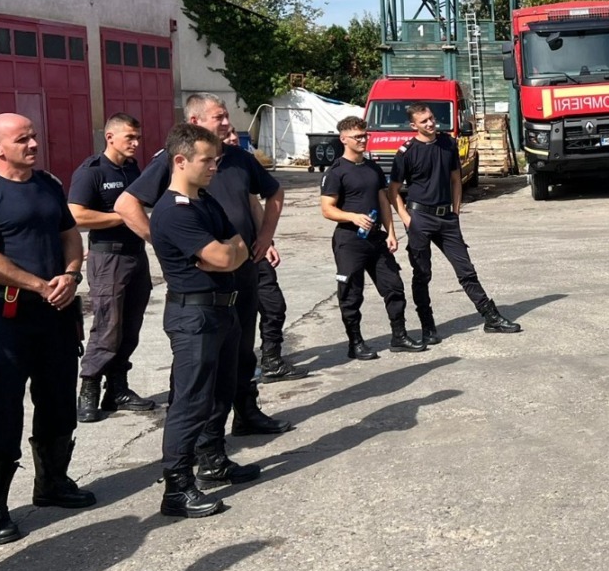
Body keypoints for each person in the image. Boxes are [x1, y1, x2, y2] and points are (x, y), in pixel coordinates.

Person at [115, 94, 292, 436]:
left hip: (242, 269)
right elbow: (126, 204)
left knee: (241, 350)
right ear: (195, 123)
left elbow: (270, 194)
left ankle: (245, 412)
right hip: (204, 278)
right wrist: (167, 243)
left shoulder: (240, 158)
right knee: (198, 364)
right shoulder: (172, 161)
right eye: (219, 118)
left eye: (226, 116)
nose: (227, 123)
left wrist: (266, 236)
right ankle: (191, 436)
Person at [0, 114, 95, 545]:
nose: (34, 143)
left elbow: (70, 234)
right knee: (1, 409)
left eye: (34, 135)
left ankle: (52, 482)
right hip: (8, 316)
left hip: (56, 311)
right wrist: (38, 284)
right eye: (23, 139)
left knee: (57, 399)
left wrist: (70, 275)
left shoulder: (48, 184)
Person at [148, 122, 258, 519]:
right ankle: (177, 489)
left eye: (216, 159)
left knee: (221, 393)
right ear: (180, 161)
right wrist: (226, 252)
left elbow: (239, 245)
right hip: (193, 314)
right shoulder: (173, 212)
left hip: (222, 308)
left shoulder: (204, 202)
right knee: (190, 402)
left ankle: (213, 461)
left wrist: (228, 252)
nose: (215, 166)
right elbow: (227, 256)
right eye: (206, 160)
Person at [389, 102, 521, 340]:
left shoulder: (448, 144)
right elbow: (393, 190)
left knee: (466, 270)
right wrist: (407, 219)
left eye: (431, 118)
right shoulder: (406, 152)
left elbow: (456, 180)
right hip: (420, 217)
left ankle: (490, 317)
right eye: (424, 121)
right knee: (422, 274)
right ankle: (427, 327)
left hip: (447, 218)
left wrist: (456, 212)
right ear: (413, 125)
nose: (430, 123)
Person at [67, 113, 156, 422]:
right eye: (130, 137)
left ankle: (117, 389)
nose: (135, 143)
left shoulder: (132, 168)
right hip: (109, 258)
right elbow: (76, 216)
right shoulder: (91, 172)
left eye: (138, 138)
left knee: (130, 327)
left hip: (136, 255)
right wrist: (124, 216)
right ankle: (88, 389)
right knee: (108, 325)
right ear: (110, 137)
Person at [320, 116, 425, 359]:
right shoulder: (336, 172)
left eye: (364, 135)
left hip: (376, 238)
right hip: (349, 240)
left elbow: (384, 201)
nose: (362, 140)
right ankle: (355, 343)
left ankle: (399, 336)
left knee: (394, 287)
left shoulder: (372, 168)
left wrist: (391, 232)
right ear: (343, 139)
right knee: (351, 292)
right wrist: (352, 217)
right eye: (357, 137)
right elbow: (327, 209)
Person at [220, 124, 304, 383]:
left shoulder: (241, 164)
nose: (234, 137)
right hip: (221, 257)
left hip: (254, 251)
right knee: (229, 320)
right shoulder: (195, 165)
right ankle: (230, 369)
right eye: (227, 134)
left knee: (273, 305)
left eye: (234, 132)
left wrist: (267, 240)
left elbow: (253, 202)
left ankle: (272, 359)